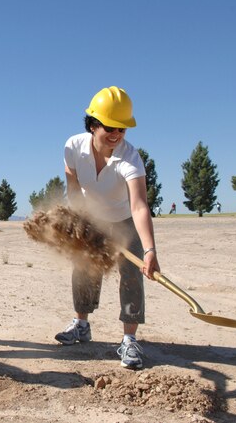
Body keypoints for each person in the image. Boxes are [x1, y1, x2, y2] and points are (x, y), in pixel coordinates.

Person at [54, 86, 160, 370]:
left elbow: (139, 206)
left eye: (122, 129)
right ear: (92, 124)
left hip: (125, 220)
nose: (116, 135)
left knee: (130, 275)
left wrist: (149, 250)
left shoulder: (130, 158)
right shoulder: (73, 147)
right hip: (93, 217)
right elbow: (73, 184)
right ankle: (81, 324)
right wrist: (80, 218)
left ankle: (129, 340)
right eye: (109, 127)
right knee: (84, 267)